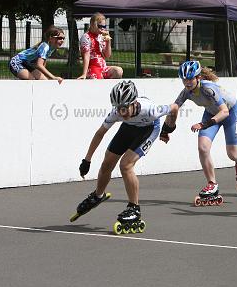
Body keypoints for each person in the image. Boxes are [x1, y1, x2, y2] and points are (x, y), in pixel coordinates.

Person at [72, 81, 178, 233]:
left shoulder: (151, 110)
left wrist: (168, 129)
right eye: (118, 108)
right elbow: (100, 133)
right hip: (128, 127)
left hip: (148, 128)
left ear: (134, 102)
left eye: (124, 108)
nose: (121, 112)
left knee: (125, 165)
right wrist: (87, 160)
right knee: (107, 163)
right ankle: (98, 195)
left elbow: (174, 107)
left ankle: (134, 208)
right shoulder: (117, 112)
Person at [162, 60, 237, 204]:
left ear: (198, 77)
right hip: (211, 113)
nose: (187, 83)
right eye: (184, 80)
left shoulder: (208, 89)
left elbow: (224, 112)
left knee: (233, 154)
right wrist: (166, 129)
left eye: (190, 79)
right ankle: (212, 184)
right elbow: (174, 108)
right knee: (203, 147)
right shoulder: (186, 92)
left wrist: (203, 124)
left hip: (230, 112)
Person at [77, 13, 123, 80]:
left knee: (118, 71)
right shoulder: (86, 37)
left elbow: (107, 55)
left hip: (103, 67)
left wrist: (108, 41)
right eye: (99, 26)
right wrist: (84, 73)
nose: (102, 28)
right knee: (97, 78)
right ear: (92, 24)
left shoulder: (101, 36)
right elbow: (86, 56)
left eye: (104, 26)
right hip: (93, 68)